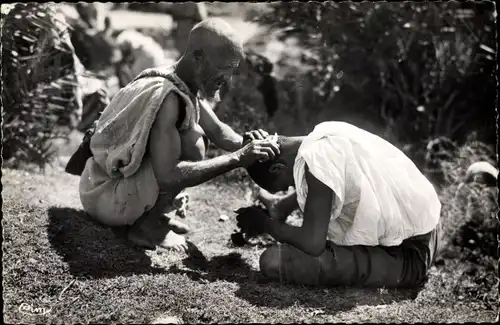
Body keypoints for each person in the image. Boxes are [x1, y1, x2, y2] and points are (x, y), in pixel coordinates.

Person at [78, 18, 280, 251]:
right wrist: (238, 159)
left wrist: (250, 143)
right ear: (198, 56)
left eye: (232, 71)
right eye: (223, 68)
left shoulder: (179, 81)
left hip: (97, 188)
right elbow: (169, 175)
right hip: (107, 198)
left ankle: (156, 215)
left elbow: (217, 130)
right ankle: (147, 228)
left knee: (195, 136)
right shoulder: (169, 98)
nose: (228, 79)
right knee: (193, 144)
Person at [243, 121, 442, 289]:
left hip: (410, 258)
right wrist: (249, 145)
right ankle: (280, 206)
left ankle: (279, 207)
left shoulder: (316, 160)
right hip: (429, 234)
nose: (291, 187)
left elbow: (312, 244)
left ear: (278, 167)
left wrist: (265, 225)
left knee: (273, 261)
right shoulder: (324, 134)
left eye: (286, 186)